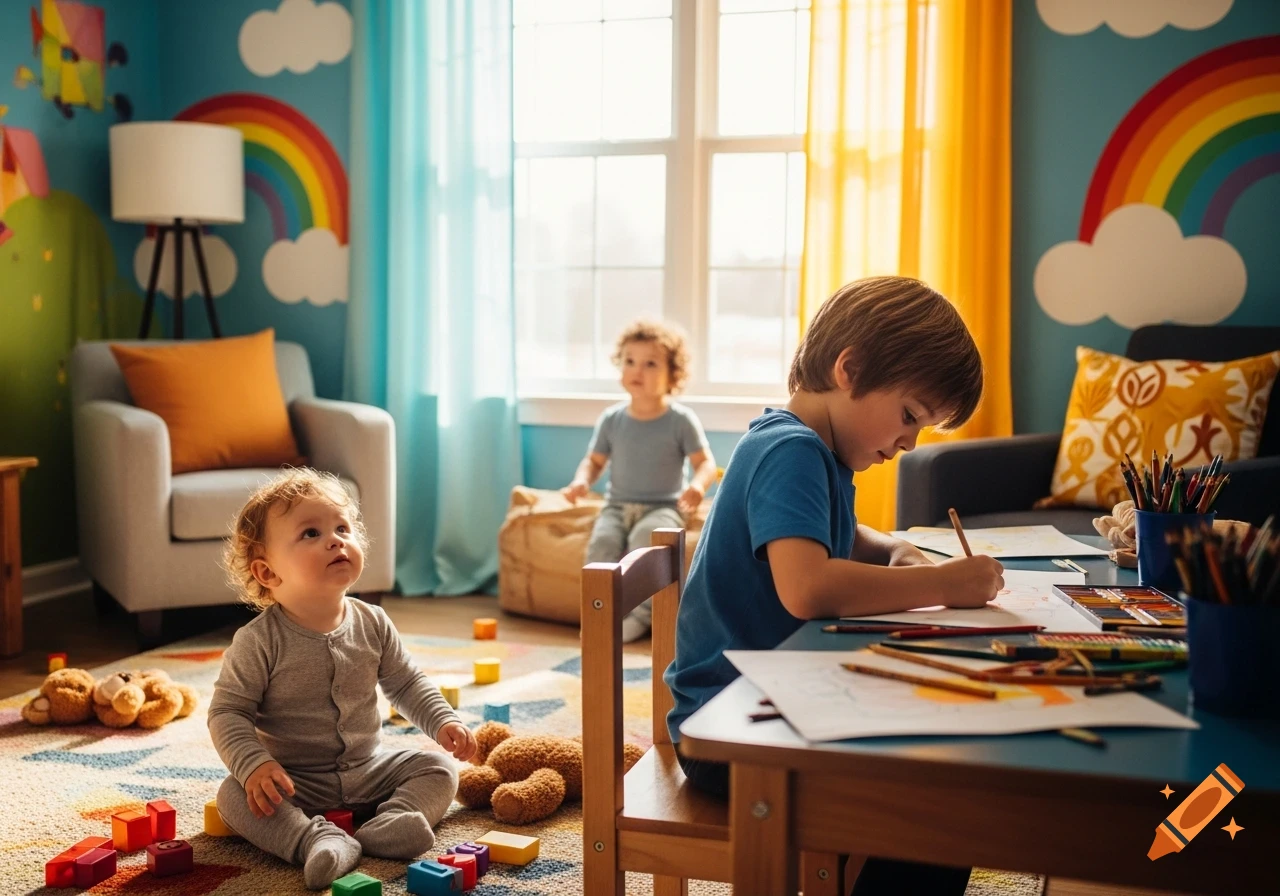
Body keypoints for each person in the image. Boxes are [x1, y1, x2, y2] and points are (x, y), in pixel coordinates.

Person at [664, 276, 1004, 895]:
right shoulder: (789, 450)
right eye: (909, 416)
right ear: (849, 369)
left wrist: (896, 549)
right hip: (730, 730)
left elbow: (839, 539)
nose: (909, 443)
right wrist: (940, 584)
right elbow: (808, 588)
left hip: (771, 705)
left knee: (937, 776)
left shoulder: (815, 452)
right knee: (930, 809)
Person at [209, 468, 477, 890]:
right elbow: (228, 712)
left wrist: (443, 721)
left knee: (439, 768)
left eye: (342, 528)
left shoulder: (373, 621)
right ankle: (315, 840)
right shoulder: (258, 641)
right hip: (295, 781)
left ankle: (391, 822)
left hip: (371, 769)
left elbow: (405, 683)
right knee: (234, 796)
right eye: (311, 534)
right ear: (267, 573)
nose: (336, 540)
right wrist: (255, 765)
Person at [563, 319, 717, 642]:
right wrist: (580, 481)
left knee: (645, 542)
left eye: (650, 363)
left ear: (673, 375)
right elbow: (593, 462)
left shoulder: (680, 420)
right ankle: (600, 614)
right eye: (630, 361)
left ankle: (641, 617)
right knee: (602, 544)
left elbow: (705, 463)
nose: (638, 370)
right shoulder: (612, 419)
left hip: (663, 506)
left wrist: (697, 486)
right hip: (616, 506)